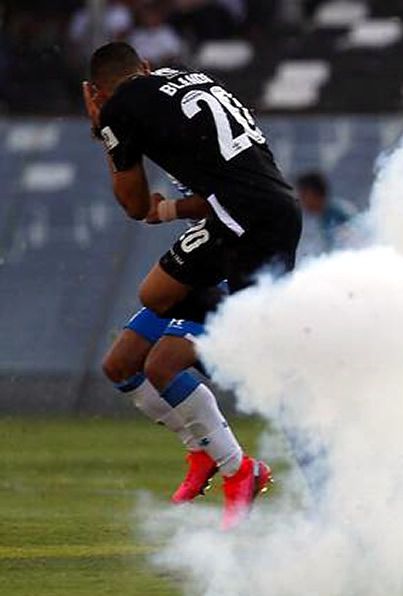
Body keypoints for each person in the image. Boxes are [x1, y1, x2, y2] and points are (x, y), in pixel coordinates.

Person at [83, 41, 302, 527]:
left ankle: (249, 465)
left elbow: (135, 205)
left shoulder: (125, 108)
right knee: (124, 357)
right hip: (235, 223)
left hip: (243, 231)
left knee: (172, 361)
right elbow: (226, 184)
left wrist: (106, 132)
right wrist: (171, 210)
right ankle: (208, 449)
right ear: (143, 67)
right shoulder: (186, 86)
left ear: (96, 92)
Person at [295, 171, 356, 257]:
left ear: (315, 193)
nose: (301, 200)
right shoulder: (318, 217)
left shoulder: (339, 214)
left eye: (304, 195)